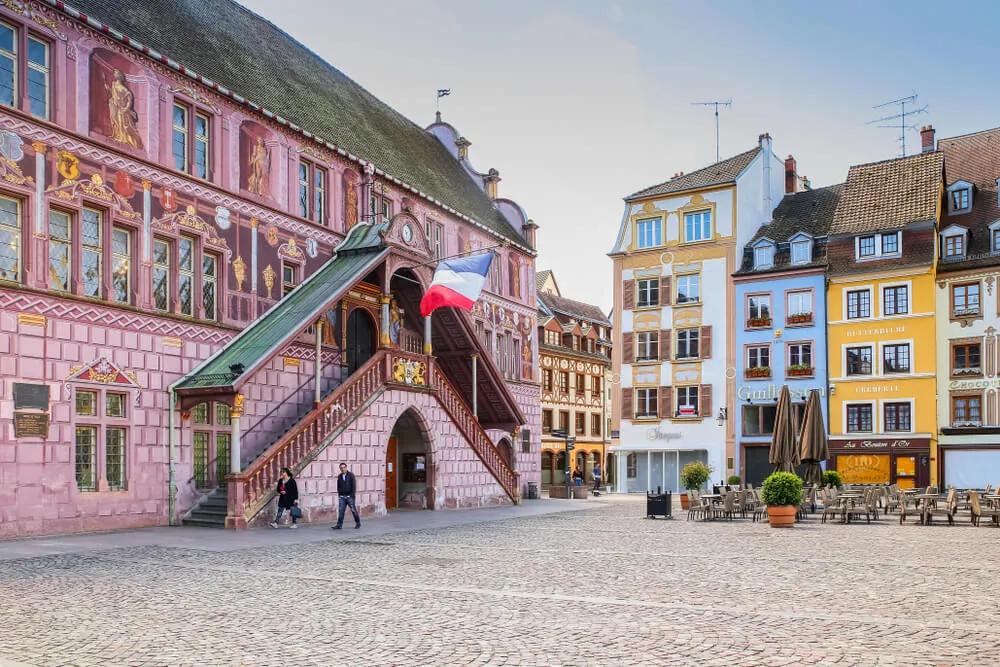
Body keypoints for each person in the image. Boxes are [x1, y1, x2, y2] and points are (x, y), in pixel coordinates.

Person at [332, 462, 361, 530]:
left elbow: (353, 486)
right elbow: (338, 486)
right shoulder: (339, 476)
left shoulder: (351, 475)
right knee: (341, 511)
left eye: (344, 467)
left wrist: (351, 495)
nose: (343, 469)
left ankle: (358, 523)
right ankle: (339, 525)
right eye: (341, 468)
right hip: (342, 497)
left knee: (353, 510)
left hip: (349, 497)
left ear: (346, 467)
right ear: (340, 469)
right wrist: (340, 495)